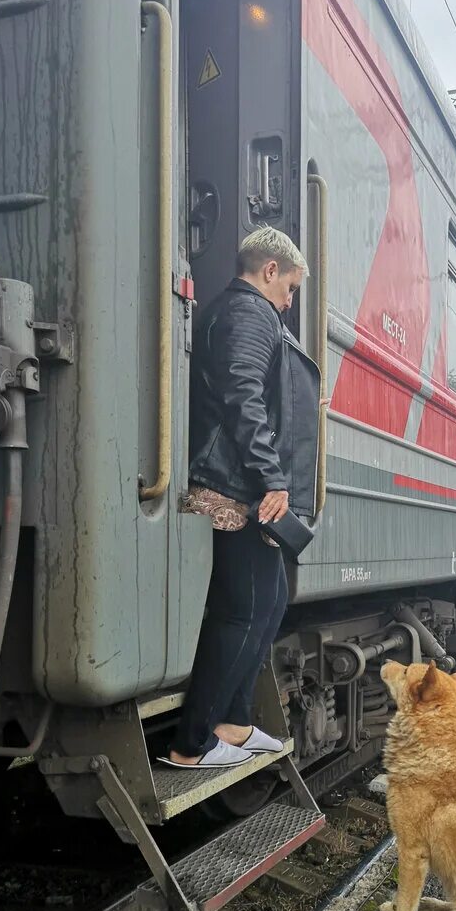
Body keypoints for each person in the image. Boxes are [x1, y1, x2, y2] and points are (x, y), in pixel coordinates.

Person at [162, 228, 322, 768]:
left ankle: (233, 721)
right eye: (291, 287)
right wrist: (272, 479)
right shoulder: (250, 312)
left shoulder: (245, 312)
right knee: (242, 611)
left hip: (240, 483)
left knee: (269, 602)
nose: (291, 300)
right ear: (270, 270)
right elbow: (243, 400)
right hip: (233, 486)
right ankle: (192, 743)